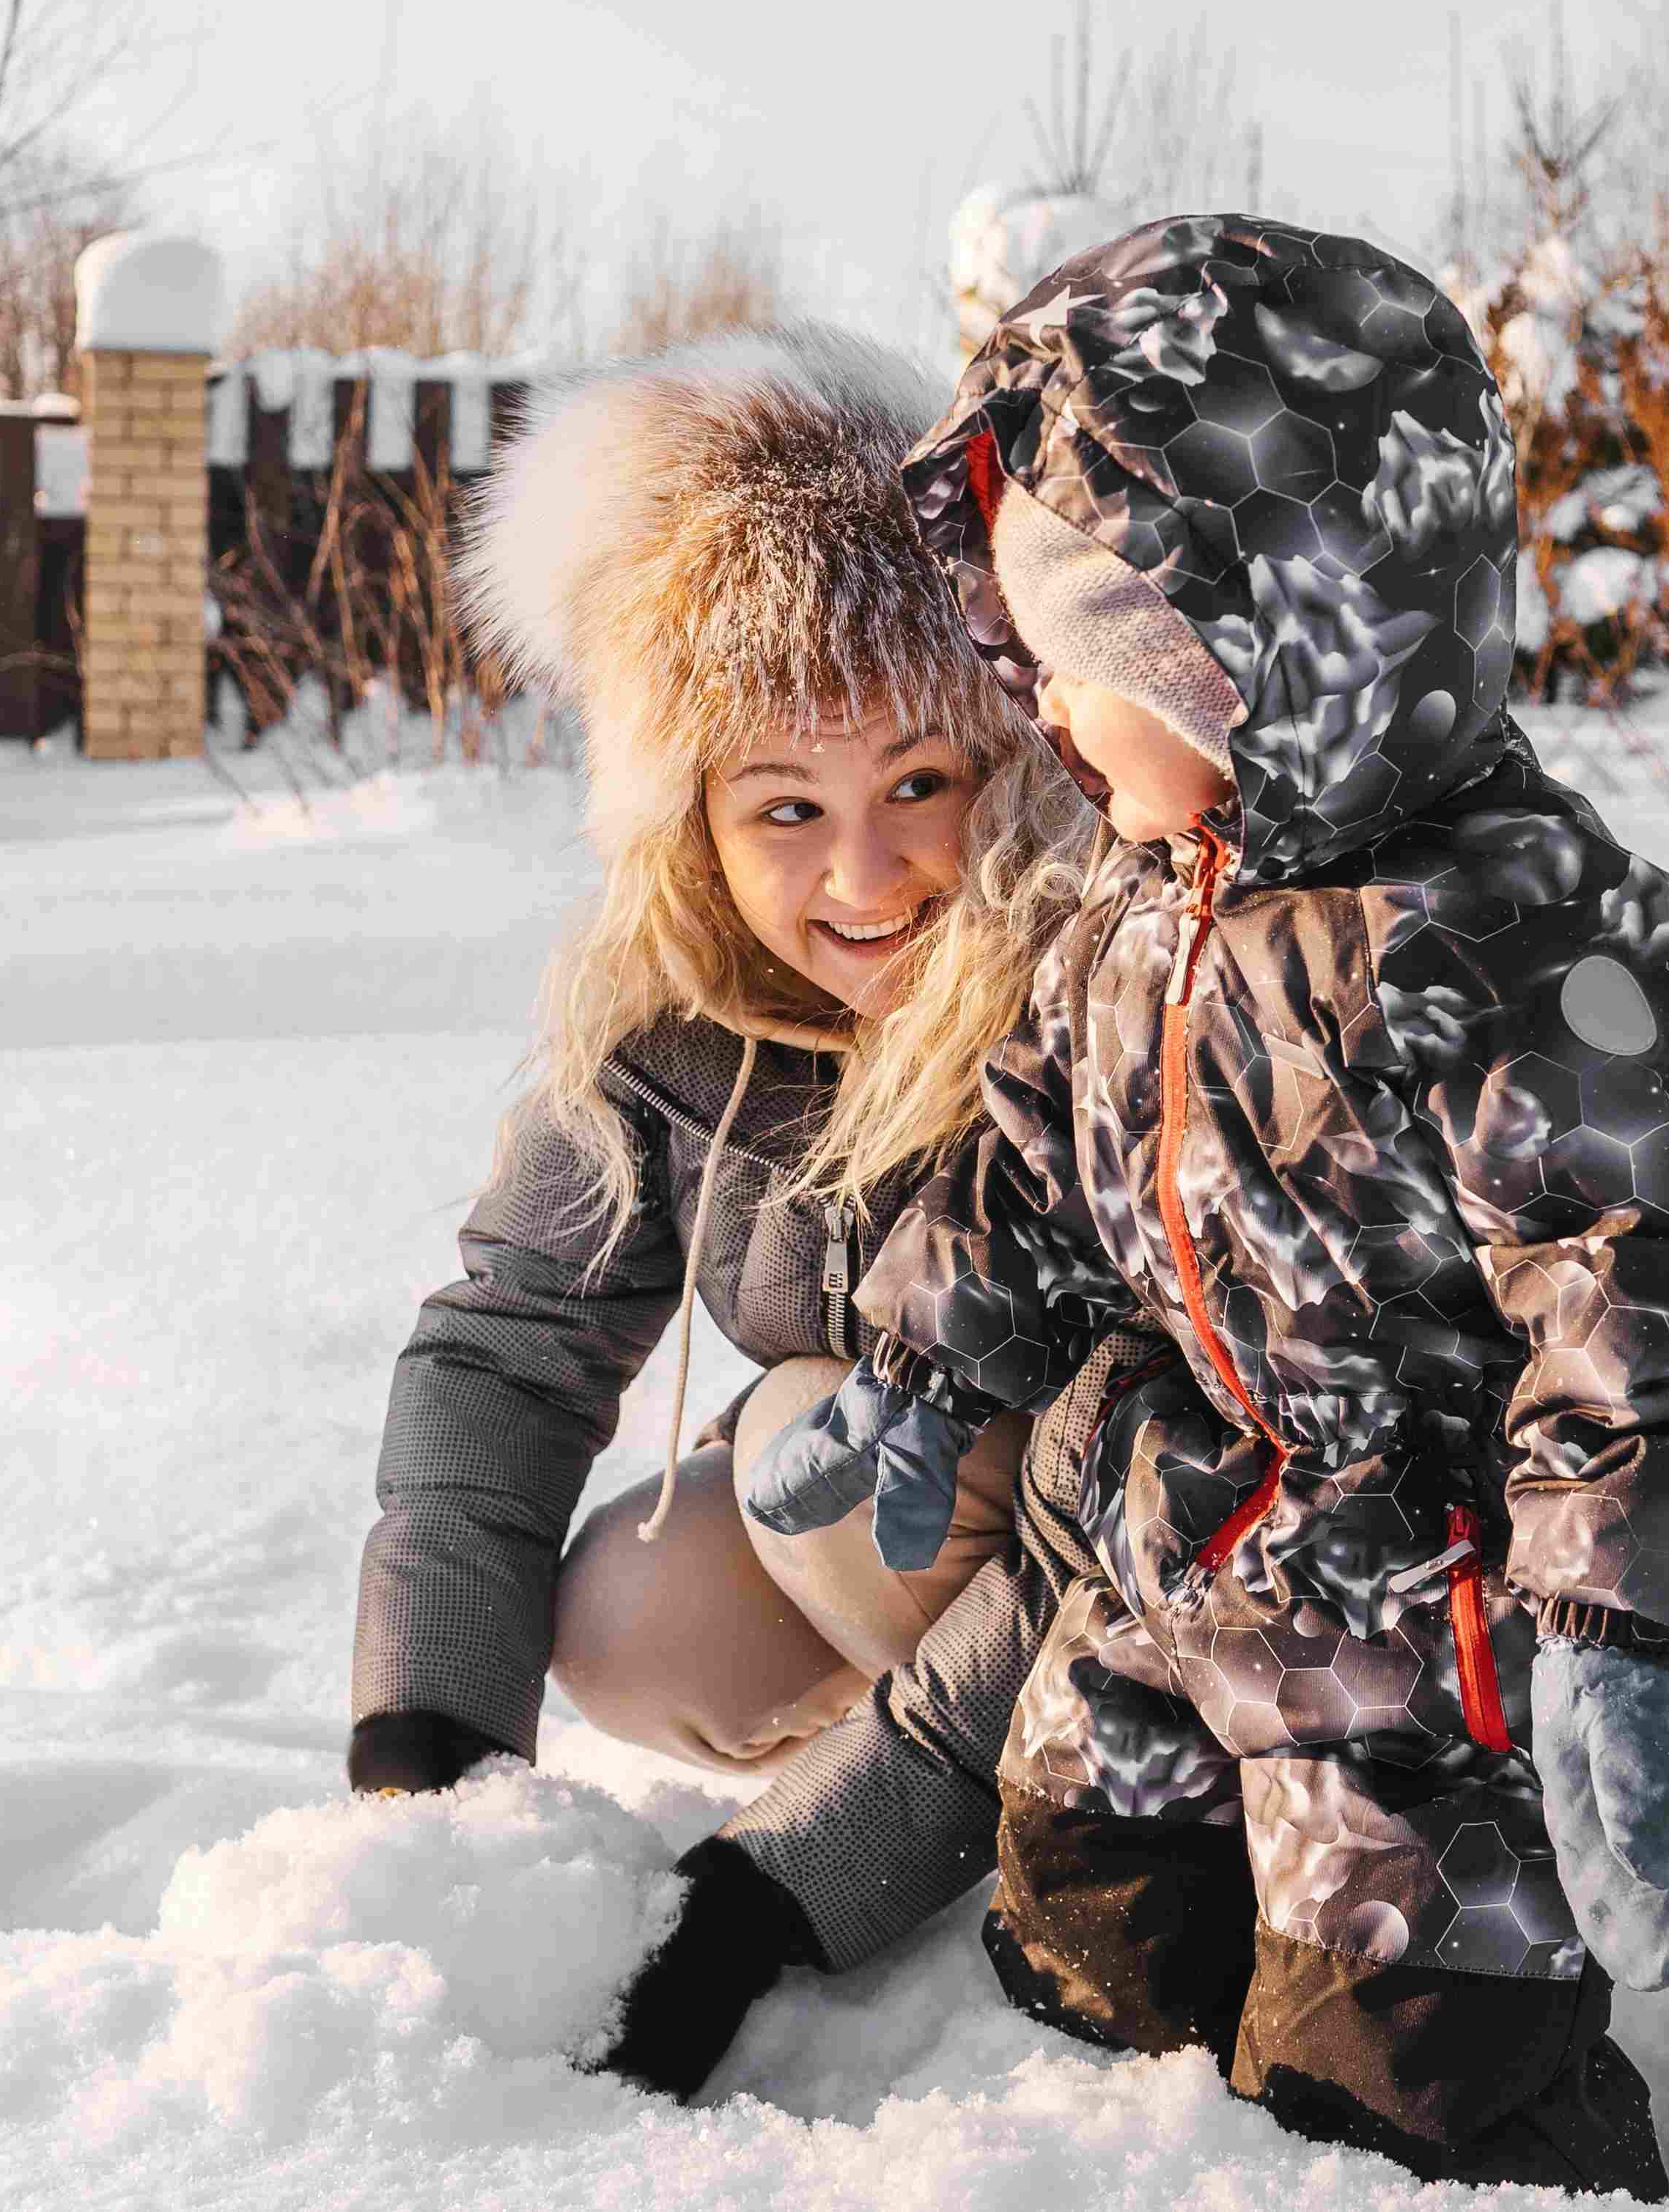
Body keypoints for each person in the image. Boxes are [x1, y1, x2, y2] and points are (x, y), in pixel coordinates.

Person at [752, 216, 1669, 2198]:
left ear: (1256, 657)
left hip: (1420, 1612)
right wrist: (916, 1361)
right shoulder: (1134, 913)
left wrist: (1625, 1623)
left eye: (1085, 672)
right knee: (1083, 1920)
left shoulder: (1517, 939)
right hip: (1177, 1533)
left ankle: (1459, 2103)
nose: (1043, 715)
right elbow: (1035, 1168)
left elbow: (1646, 1287)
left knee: (1406, 2078)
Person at [343, 325, 1095, 2095]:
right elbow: (508, 1351)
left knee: (810, 1448)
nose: (864, 872)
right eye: (786, 806)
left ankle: (1058, 1799)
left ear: (1007, 754)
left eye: (920, 781)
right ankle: (936, 1764)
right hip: (938, 1568)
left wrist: (790, 1889)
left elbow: (1116, 1512)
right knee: (631, 1612)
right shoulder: (670, 1007)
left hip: (1155, 1582)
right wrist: (425, 1761)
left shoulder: (1094, 996)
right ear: (691, 822)